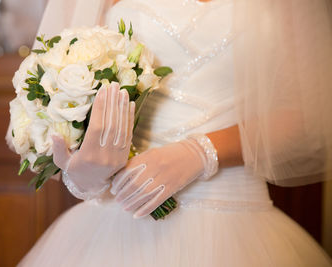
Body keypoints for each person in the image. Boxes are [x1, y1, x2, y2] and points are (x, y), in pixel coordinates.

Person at [17, 0, 332, 266]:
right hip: (119, 216)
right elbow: (50, 87)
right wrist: (86, 172)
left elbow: (309, 120)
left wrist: (202, 151)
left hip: (234, 217)